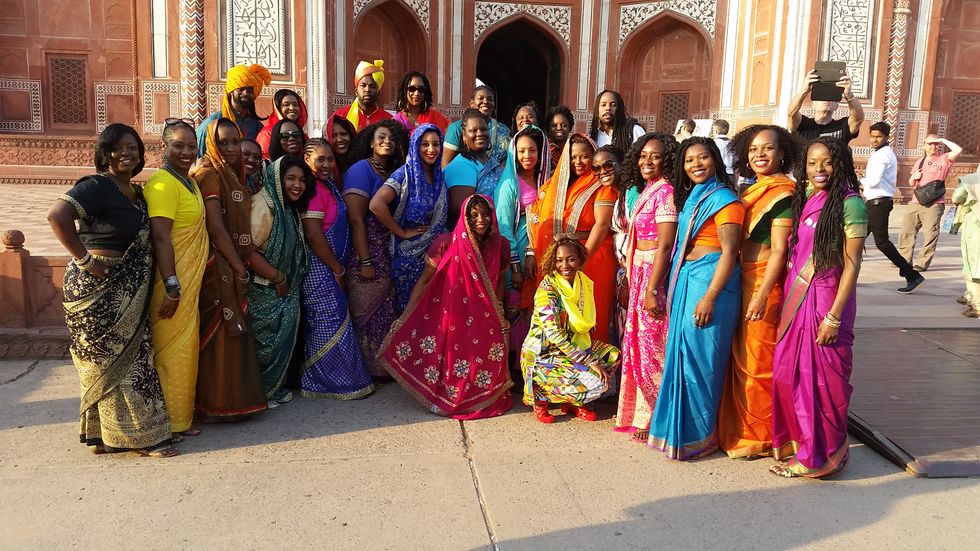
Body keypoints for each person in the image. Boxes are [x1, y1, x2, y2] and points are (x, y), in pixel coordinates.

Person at [46, 123, 176, 457]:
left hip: (127, 288)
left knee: (132, 358)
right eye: (118, 148)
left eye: (133, 147)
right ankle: (145, 439)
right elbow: (57, 215)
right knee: (113, 364)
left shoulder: (136, 192)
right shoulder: (97, 186)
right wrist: (86, 260)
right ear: (105, 153)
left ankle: (102, 438)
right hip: (96, 289)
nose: (126, 153)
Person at [770, 137, 867, 478]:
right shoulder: (808, 197)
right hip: (797, 299)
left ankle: (821, 457)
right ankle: (799, 441)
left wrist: (834, 317)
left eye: (827, 162)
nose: (819, 169)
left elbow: (852, 265)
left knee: (821, 383)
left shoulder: (851, 204)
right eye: (812, 163)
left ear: (840, 164)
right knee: (787, 373)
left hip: (827, 300)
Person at [648, 138, 743, 460]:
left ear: (715, 160)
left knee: (702, 362)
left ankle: (700, 436)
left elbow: (730, 252)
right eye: (690, 160)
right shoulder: (692, 197)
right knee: (681, 356)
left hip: (710, 284)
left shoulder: (724, 200)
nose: (696, 165)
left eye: (703, 158)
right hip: (687, 278)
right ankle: (678, 434)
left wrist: (710, 297)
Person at [381, 195, 513, 418]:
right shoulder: (445, 242)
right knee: (455, 359)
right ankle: (451, 397)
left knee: (484, 356)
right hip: (452, 313)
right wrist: (406, 315)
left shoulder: (501, 245)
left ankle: (478, 398)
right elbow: (425, 281)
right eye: (474, 216)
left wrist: (499, 311)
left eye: (485, 214)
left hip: (484, 312)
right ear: (465, 218)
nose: (480, 220)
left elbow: (499, 280)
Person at [716, 125, 798, 459]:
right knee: (740, 359)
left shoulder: (783, 193)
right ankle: (741, 429)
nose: (759, 154)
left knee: (759, 363)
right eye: (753, 149)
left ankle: (762, 436)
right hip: (742, 278)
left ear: (782, 154)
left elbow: (779, 250)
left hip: (764, 281)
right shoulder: (751, 189)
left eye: (767, 148)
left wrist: (762, 294)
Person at [193, 117, 267, 420]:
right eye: (223, 143)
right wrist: (239, 267)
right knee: (222, 335)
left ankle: (233, 402)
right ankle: (216, 404)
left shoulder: (231, 174)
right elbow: (216, 227)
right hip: (217, 264)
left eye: (235, 141)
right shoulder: (209, 174)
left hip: (229, 261)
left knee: (232, 332)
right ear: (211, 144)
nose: (232, 148)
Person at [144, 120, 208, 439]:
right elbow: (160, 238)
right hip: (171, 285)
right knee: (170, 351)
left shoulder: (188, 182)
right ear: (163, 147)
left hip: (189, 282)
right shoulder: (162, 183)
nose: (186, 151)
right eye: (178, 145)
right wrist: (171, 286)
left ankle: (180, 419)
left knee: (185, 349)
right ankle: (163, 424)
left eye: (190, 145)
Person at [613, 132, 678, 443]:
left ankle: (653, 415)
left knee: (653, 343)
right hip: (638, 269)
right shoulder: (646, 190)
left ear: (668, 160)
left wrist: (652, 290)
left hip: (654, 272)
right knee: (637, 343)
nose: (647, 161)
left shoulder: (666, 192)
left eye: (655, 156)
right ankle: (638, 412)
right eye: (642, 156)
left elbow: (665, 245)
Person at [299, 139, 376, 399]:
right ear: (306, 160)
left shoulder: (328, 185)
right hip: (320, 269)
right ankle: (324, 382)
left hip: (332, 266)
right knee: (328, 322)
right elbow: (314, 235)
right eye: (320, 159)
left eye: (330, 159)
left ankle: (337, 380)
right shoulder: (313, 191)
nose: (326, 164)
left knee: (335, 320)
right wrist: (336, 268)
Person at [526, 134, 618, 342]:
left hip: (593, 257)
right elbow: (538, 218)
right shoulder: (557, 185)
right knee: (560, 315)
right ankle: (563, 360)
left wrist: (583, 258)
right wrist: (532, 251)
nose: (578, 162)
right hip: (563, 260)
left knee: (591, 313)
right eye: (573, 157)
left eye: (584, 156)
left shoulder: (601, 185)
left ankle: (592, 358)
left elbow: (602, 224)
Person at [521, 236, 620, 423]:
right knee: (598, 383)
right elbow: (555, 335)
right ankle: (540, 397)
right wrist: (588, 362)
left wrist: (589, 358)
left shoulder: (583, 283)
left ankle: (573, 402)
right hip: (544, 354)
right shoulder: (547, 290)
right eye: (559, 260)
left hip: (572, 349)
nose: (564, 265)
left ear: (580, 259)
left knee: (612, 356)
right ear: (553, 261)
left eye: (570, 259)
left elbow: (585, 323)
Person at [343, 119, 407, 378]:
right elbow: (356, 219)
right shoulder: (360, 170)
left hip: (386, 249)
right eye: (381, 137)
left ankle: (382, 367)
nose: (387, 142)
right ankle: (365, 371)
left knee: (384, 310)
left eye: (392, 138)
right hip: (366, 250)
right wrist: (365, 261)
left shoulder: (391, 171)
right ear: (370, 142)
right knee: (367, 311)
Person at [246, 155, 311, 405]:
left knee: (278, 343)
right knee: (263, 343)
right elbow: (248, 251)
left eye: (302, 180)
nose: (297, 185)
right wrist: (278, 277)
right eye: (290, 179)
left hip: (281, 289)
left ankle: (272, 388)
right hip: (263, 288)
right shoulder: (262, 205)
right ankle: (259, 393)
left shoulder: (285, 207)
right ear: (276, 179)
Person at [370, 123, 448, 314]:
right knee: (410, 311)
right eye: (425, 144)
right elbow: (376, 204)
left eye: (436, 144)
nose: (431, 149)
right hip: (408, 257)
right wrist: (401, 232)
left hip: (433, 256)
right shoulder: (404, 174)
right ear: (415, 145)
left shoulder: (438, 176)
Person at [495, 125, 550, 367]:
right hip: (516, 256)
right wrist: (515, 267)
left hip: (541, 255)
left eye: (532, 150)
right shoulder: (509, 184)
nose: (527, 155)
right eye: (522, 151)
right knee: (517, 307)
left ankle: (536, 365)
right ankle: (515, 367)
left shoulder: (546, 181)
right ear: (514, 154)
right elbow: (504, 227)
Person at [861, 122, 924, 293]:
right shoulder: (880, 153)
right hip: (874, 202)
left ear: (886, 137)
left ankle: (911, 275)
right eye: (872, 136)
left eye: (878, 137)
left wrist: (861, 180)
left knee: (882, 243)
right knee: (856, 237)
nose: (874, 140)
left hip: (879, 203)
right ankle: (847, 273)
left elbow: (873, 181)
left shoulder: (883, 155)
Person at [899, 134, 962, 271]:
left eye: (936, 144)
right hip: (916, 201)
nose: (933, 146)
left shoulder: (944, 159)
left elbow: (958, 150)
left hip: (934, 203)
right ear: (924, 146)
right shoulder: (920, 162)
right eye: (930, 144)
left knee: (930, 234)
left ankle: (922, 263)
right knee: (906, 231)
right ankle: (904, 259)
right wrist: (914, 177)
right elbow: (911, 183)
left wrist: (942, 140)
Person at [445, 109, 505, 222]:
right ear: (464, 135)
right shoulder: (461, 166)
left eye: (483, 129)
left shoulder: (492, 162)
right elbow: (461, 212)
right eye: (474, 130)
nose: (480, 133)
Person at [197, 63, 271, 154]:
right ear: (231, 91)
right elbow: (199, 157)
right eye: (241, 89)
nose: (245, 93)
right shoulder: (212, 123)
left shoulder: (257, 126)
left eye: (250, 90)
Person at [788, 69, 864, 143]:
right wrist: (805, 90)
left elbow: (858, 119)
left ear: (836, 106)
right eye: (821, 96)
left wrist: (849, 95)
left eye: (831, 97)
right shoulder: (803, 124)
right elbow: (791, 114)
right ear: (813, 105)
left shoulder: (842, 126)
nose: (826, 99)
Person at [442, 85, 511, 168]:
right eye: (480, 98)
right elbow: (445, 165)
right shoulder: (457, 128)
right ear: (471, 103)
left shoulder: (503, 129)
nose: (485, 101)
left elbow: (509, 160)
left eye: (490, 99)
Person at [331, 59, 393, 132]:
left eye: (372, 86)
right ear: (356, 91)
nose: (367, 89)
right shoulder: (340, 116)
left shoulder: (389, 120)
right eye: (363, 85)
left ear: (378, 93)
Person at [952, 167, 980, 317]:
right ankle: (969, 295)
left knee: (973, 266)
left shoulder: (972, 179)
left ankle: (977, 305)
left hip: (975, 226)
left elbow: (957, 197)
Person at [255, 89, 308, 159]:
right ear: (278, 108)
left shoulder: (303, 135)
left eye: (295, 105)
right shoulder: (267, 133)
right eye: (286, 105)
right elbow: (264, 159)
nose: (292, 108)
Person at [325, 114, 358, 185]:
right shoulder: (324, 167)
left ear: (351, 135)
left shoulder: (362, 161)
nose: (339, 139)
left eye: (343, 134)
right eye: (333, 136)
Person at [546, 105, 574, 172]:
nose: (559, 128)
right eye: (554, 126)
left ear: (570, 127)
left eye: (564, 125)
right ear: (548, 128)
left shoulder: (574, 148)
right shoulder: (545, 149)